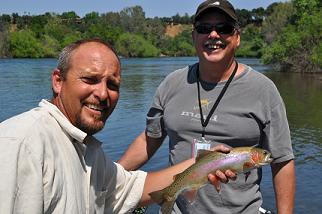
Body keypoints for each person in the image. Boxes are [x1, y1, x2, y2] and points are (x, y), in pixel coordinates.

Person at [0, 38, 234, 213]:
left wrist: (204, 164)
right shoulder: (21, 143)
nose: (103, 94)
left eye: (112, 85)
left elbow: (133, 188)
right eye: (90, 79)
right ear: (58, 81)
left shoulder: (86, 148)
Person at [118, 0, 295, 213]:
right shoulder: (171, 83)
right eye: (204, 28)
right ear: (194, 36)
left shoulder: (264, 90)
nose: (213, 35)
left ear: (237, 37)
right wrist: (110, 176)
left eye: (224, 28)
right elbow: (149, 139)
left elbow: (282, 161)